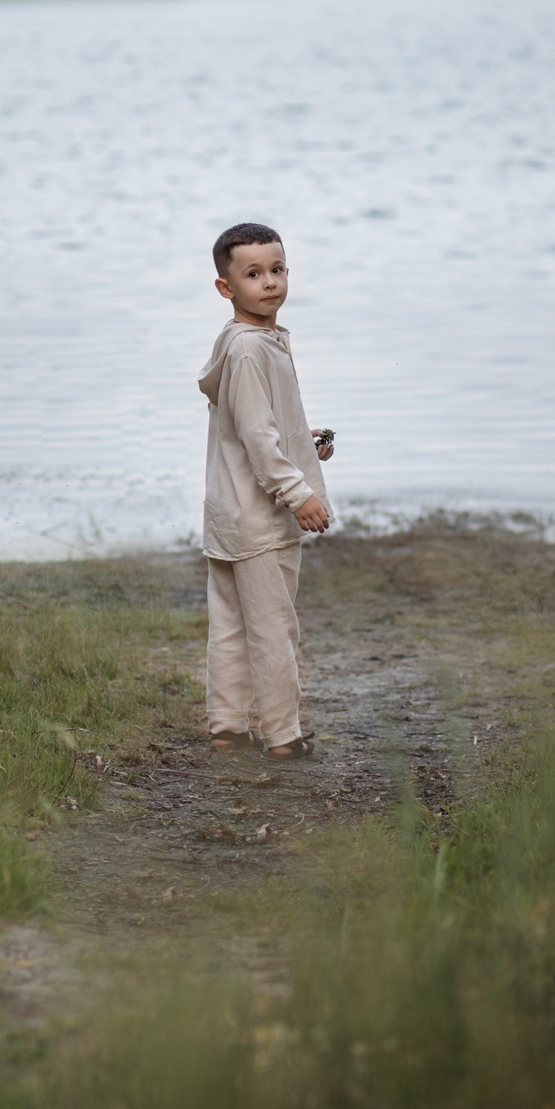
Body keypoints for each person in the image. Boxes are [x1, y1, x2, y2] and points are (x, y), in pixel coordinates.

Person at [196, 222, 336, 762]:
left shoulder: (242, 344)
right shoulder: (252, 349)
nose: (269, 283)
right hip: (259, 520)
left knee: (231, 626)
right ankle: (283, 736)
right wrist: (297, 493)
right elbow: (258, 437)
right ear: (225, 288)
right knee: (274, 630)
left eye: (277, 269)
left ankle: (227, 727)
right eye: (252, 274)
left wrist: (305, 445)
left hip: (228, 512)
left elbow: (259, 426)